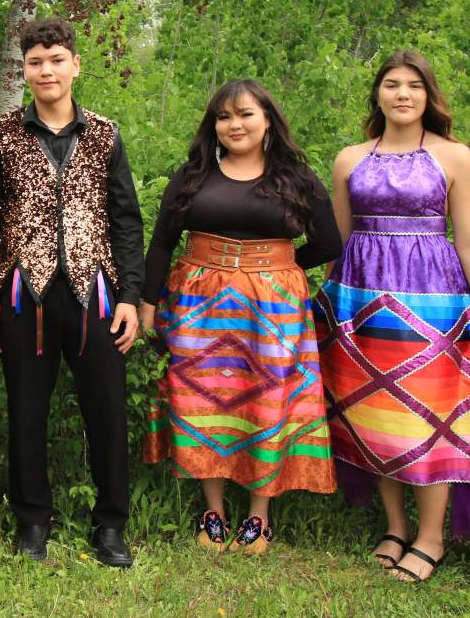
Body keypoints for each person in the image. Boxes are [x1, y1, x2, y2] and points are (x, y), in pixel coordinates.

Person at [313, 50, 470, 583]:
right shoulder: (349, 158)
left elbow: (469, 241)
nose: (402, 94)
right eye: (391, 84)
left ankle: (432, 538)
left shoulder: (455, 156)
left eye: (413, 85)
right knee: (375, 413)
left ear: (429, 95)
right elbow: (339, 239)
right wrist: (325, 303)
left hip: (433, 299)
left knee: (427, 415)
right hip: (360, 299)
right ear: (377, 94)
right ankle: (395, 526)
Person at [0, 17, 144, 567]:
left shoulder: (105, 134)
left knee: (107, 408)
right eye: (35, 62)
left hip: (96, 292)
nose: (46, 70)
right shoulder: (1, 134)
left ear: (75, 65)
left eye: (56, 59)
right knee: (27, 407)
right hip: (25, 293)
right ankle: (33, 520)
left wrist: (130, 296)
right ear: (25, 71)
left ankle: (110, 525)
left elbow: (126, 220)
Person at [139, 80, 342, 554]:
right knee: (202, 399)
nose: (235, 124)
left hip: (273, 306)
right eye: (224, 116)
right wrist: (148, 306)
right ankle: (212, 511)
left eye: (246, 114)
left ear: (268, 119)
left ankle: (259, 515)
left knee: (267, 399)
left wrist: (276, 268)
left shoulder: (296, 177)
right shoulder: (194, 175)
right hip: (198, 303)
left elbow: (330, 242)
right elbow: (162, 243)